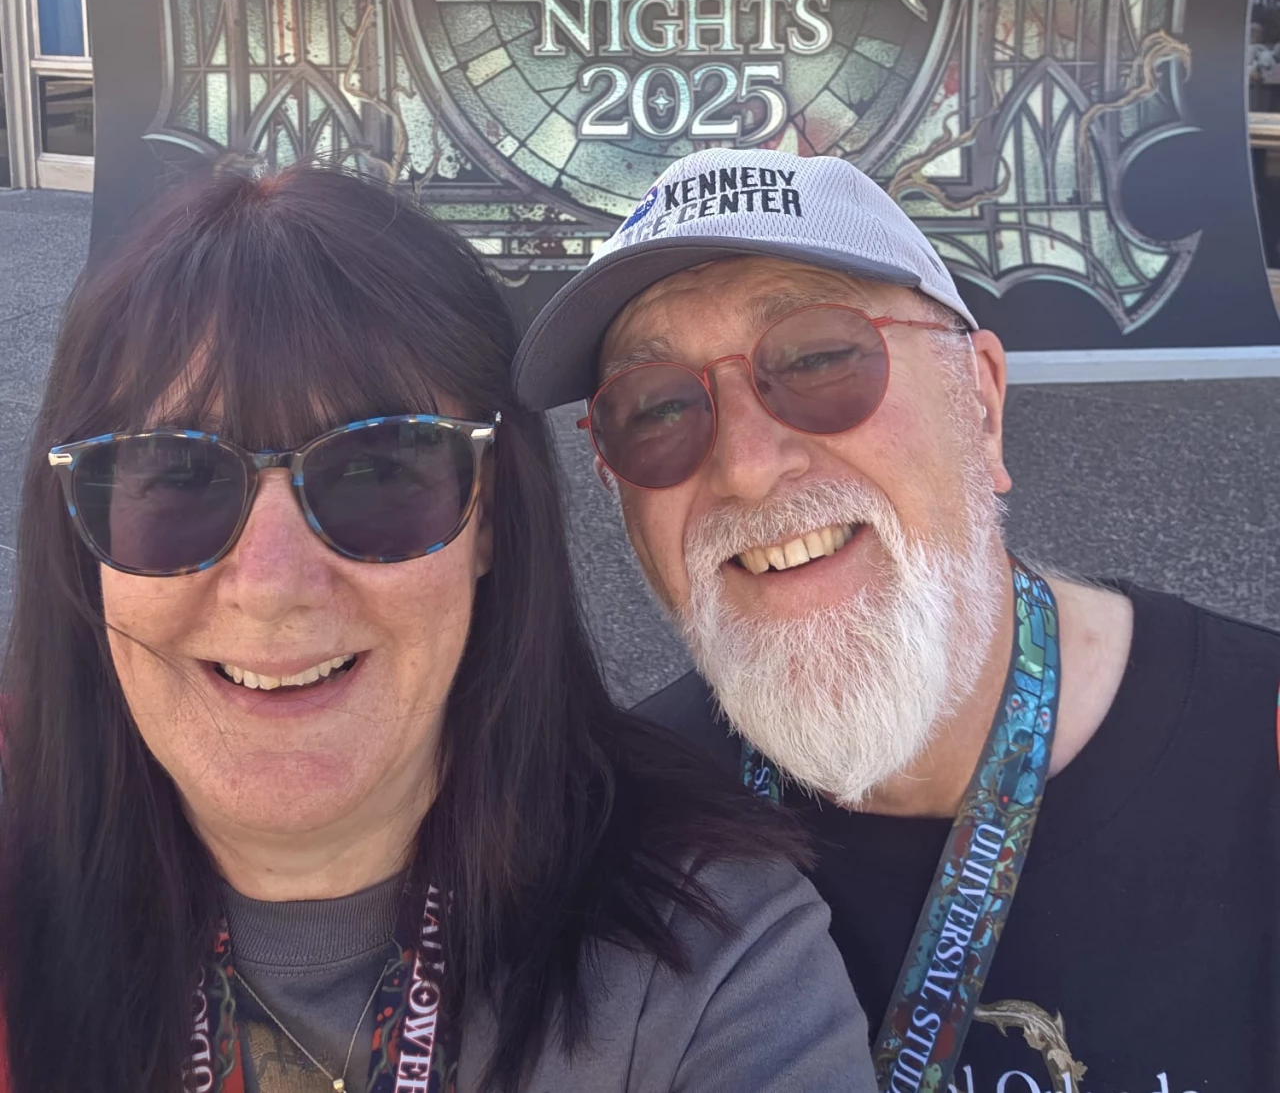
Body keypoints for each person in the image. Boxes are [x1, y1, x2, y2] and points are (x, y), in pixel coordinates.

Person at [0, 164, 875, 1093]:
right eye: (178, 479)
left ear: (489, 515)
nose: (272, 586)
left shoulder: (711, 957)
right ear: (81, 530)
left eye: (376, 471)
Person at [514, 145, 1280, 1093]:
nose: (746, 466)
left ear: (982, 403)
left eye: (819, 357)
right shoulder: (607, 832)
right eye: (656, 408)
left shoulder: (1260, 748)